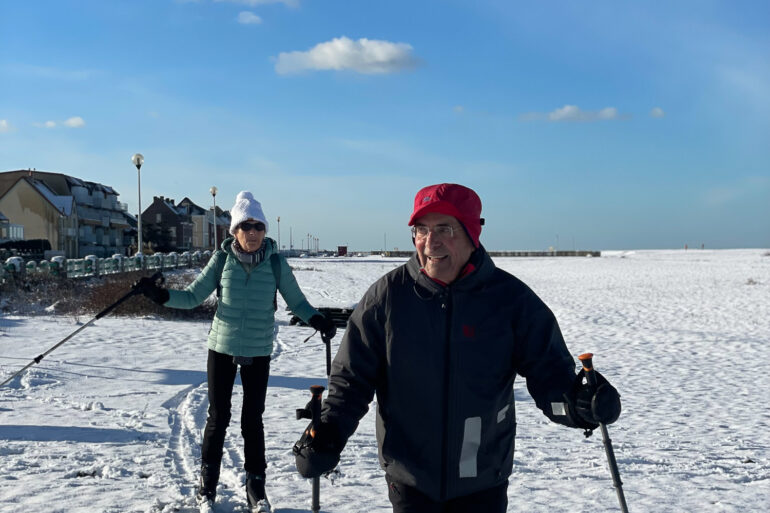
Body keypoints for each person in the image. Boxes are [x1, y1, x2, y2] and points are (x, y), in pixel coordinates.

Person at [294, 183, 621, 512]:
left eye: (444, 229)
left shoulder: (510, 300)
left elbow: (550, 374)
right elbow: (352, 380)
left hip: (483, 480)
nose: (430, 242)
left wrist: (579, 405)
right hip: (410, 479)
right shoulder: (388, 298)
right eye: (420, 230)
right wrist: (329, 432)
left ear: (471, 234)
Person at [135, 191, 337, 513]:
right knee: (218, 417)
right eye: (247, 226)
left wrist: (317, 318)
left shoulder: (275, 262)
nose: (253, 233)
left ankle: (256, 485)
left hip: (258, 350)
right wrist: (159, 296)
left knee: (252, 420)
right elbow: (191, 297)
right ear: (235, 231)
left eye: (259, 227)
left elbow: (296, 302)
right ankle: (207, 483)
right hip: (222, 347)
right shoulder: (221, 260)